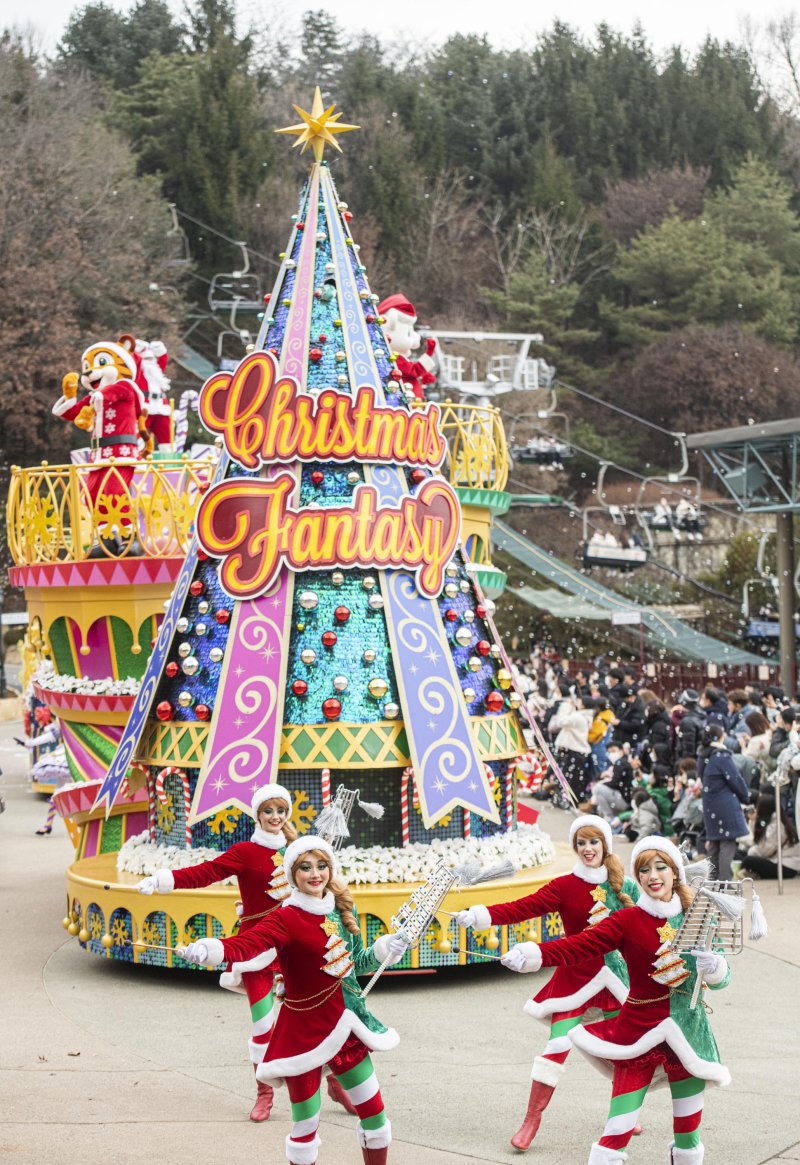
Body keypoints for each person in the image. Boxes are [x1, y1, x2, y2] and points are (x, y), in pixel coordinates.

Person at [497, 836, 732, 1165]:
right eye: (644, 869)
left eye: (661, 867)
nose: (653, 876)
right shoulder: (627, 920)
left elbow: (722, 977)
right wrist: (535, 952)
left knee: (688, 1137)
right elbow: (577, 946)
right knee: (615, 1134)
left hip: (690, 1037)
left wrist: (717, 968)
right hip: (638, 1037)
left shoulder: (698, 917)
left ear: (675, 872)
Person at [180, 836, 406, 1165]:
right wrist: (214, 950)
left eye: (321, 866)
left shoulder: (343, 907)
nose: (315, 874)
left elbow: (358, 963)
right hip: (303, 1035)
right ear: (292, 873)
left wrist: (385, 950)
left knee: (375, 1117)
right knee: (305, 1128)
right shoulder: (286, 917)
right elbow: (248, 944)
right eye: (305, 867)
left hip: (347, 1027)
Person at [456, 816, 639, 1151]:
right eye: (581, 843)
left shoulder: (625, 887)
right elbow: (522, 908)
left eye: (594, 842)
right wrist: (481, 915)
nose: (587, 850)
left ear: (606, 845)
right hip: (574, 977)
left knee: (622, 1048)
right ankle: (531, 1120)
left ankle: (625, 1111)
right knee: (555, 1047)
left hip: (615, 981)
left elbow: (650, 924)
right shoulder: (563, 886)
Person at [137, 783, 301, 1122]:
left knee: (314, 1017)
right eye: (268, 811)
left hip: (294, 948)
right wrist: (162, 880)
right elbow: (206, 873)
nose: (275, 817)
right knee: (263, 1026)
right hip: (255, 948)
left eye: (280, 811)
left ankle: (332, 1082)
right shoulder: (245, 851)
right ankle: (264, 1092)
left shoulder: (299, 851)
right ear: (257, 814)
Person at [697, 724, 752, 880]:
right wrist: (746, 797)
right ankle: (725, 884)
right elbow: (735, 779)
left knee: (714, 843)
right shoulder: (721, 756)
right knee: (728, 843)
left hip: (710, 805)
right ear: (721, 737)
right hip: (724, 805)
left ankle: (712, 884)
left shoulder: (703, 756)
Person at [740, 792, 800, 880]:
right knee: (740, 854)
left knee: (748, 861)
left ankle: (752, 872)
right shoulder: (772, 820)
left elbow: (764, 851)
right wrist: (753, 822)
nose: (756, 810)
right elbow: (758, 842)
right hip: (776, 859)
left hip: (787, 866)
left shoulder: (777, 826)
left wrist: (751, 852)